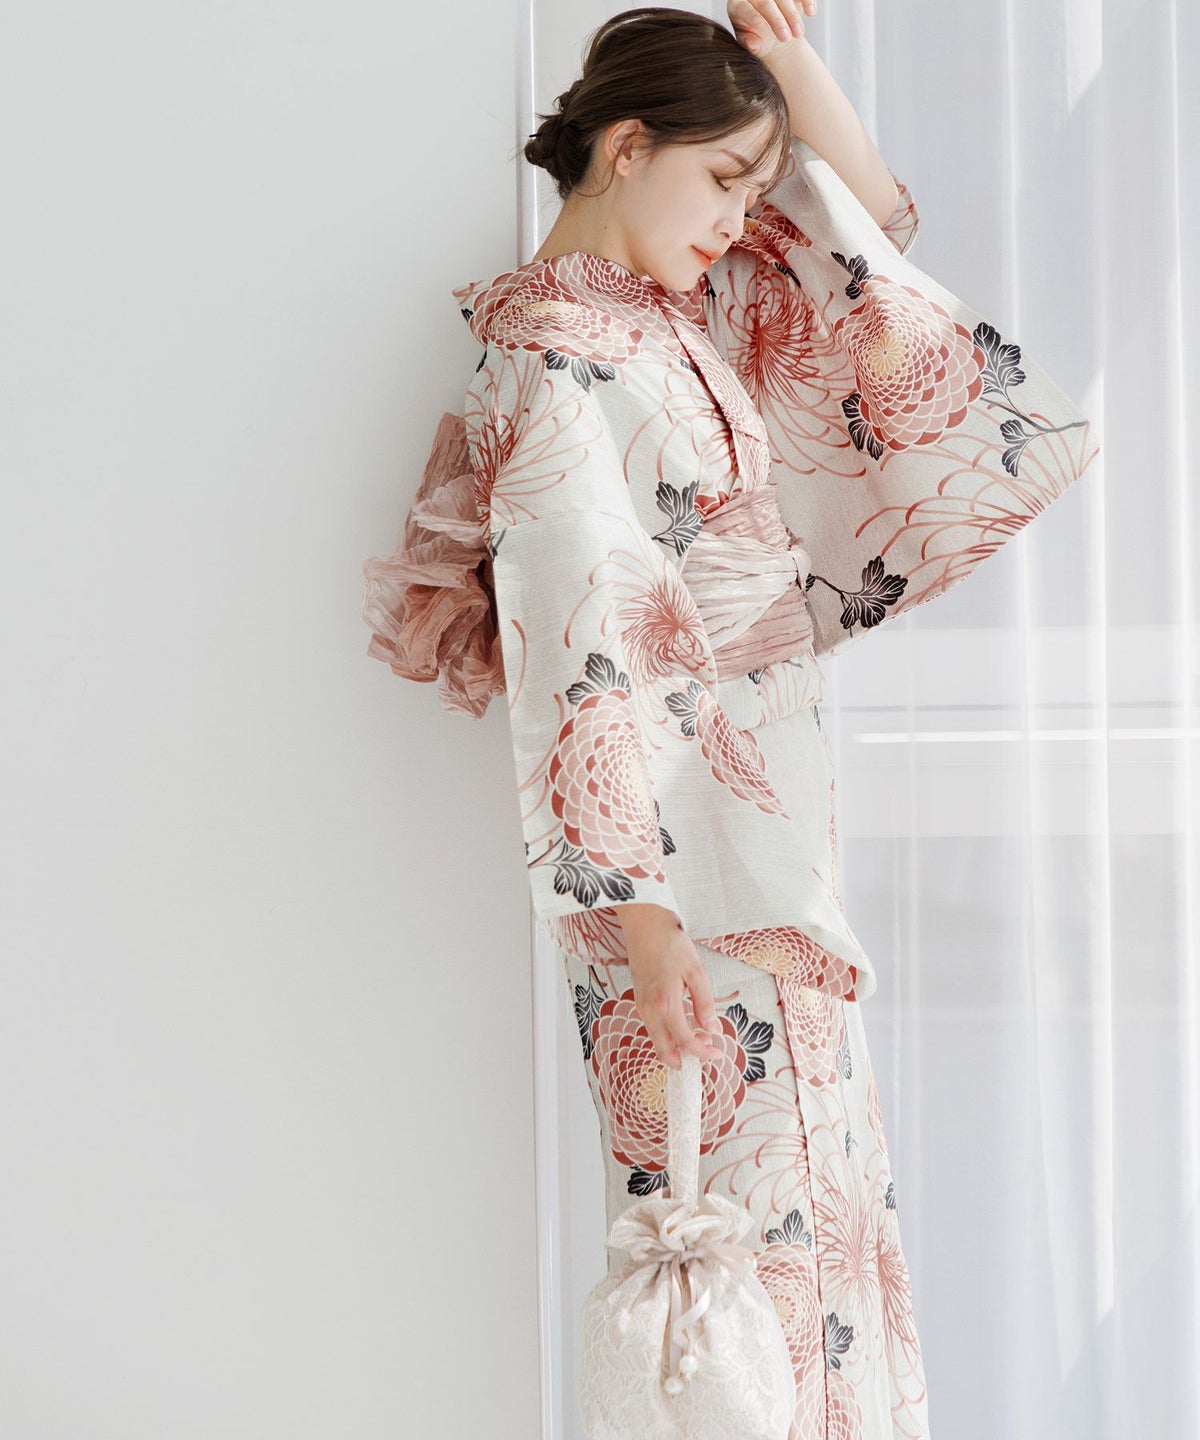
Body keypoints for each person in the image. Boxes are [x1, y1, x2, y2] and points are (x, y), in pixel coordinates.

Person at [363, 4, 1099, 1433]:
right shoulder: (554, 354)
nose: (736, 219)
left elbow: (871, 240)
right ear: (626, 147)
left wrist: (792, 68)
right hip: (675, 875)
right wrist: (643, 928)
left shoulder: (671, 310)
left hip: (763, 832)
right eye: (720, 180)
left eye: (750, 190)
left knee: (821, 1227)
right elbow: (578, 649)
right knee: (741, 1274)